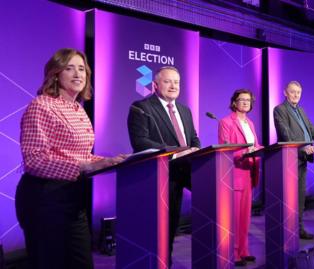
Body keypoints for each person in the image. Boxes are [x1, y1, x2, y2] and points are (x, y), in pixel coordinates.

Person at [15, 48, 127, 269]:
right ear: (56, 74)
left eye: (82, 69)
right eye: (69, 68)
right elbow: (35, 160)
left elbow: (81, 155)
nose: (78, 74)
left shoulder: (78, 109)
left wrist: (108, 161)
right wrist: (86, 165)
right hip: (44, 198)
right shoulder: (41, 105)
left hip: (74, 198)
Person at [127, 66, 201, 264]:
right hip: (158, 177)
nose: (173, 86)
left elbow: (193, 138)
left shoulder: (185, 110)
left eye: (176, 82)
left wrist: (196, 150)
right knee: (159, 230)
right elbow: (140, 142)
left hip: (184, 174)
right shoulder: (141, 107)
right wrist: (178, 151)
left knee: (171, 227)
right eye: (168, 81)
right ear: (155, 85)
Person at [273, 81, 314, 240]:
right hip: (290, 159)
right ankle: (287, 230)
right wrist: (301, 147)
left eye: (298, 92)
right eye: (293, 92)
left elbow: (312, 130)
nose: (296, 95)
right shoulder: (279, 109)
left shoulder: (301, 110)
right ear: (285, 92)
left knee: (300, 196)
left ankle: (299, 229)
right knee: (289, 197)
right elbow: (285, 134)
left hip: (303, 159)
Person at [218, 89, 261, 266]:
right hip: (235, 173)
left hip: (248, 172)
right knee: (234, 217)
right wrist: (246, 151)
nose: (245, 102)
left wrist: (260, 149)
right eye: (241, 100)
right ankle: (233, 253)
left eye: (248, 100)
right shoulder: (225, 122)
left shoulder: (250, 123)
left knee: (245, 216)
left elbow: (255, 145)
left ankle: (244, 250)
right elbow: (225, 149)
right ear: (234, 102)